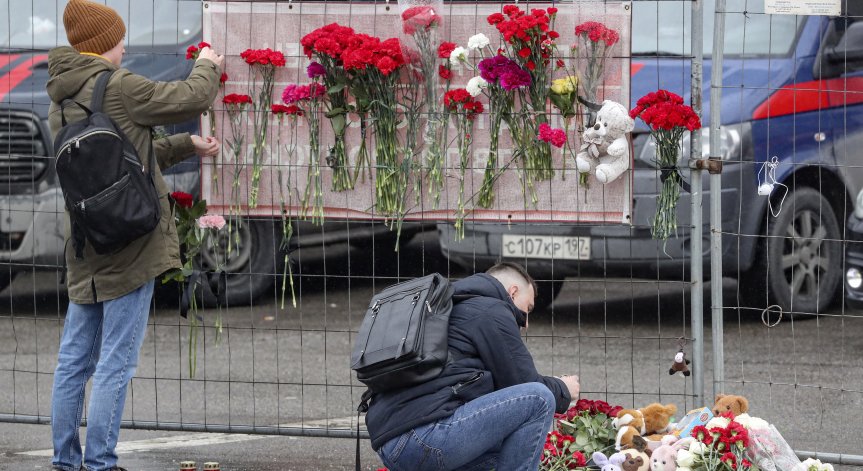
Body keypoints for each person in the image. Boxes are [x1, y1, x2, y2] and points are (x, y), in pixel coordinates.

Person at [45, 1, 224, 470]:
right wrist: (207, 63)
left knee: (73, 361)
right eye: (120, 38)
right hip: (132, 242)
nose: (125, 45)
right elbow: (190, 98)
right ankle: (101, 462)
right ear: (105, 44)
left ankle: (65, 463)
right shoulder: (119, 86)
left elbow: (119, 161)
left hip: (87, 244)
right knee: (116, 362)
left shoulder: (60, 100)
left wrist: (185, 145)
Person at [366, 262, 581, 471]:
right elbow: (526, 383)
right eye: (528, 309)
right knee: (539, 397)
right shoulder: (490, 310)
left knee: (512, 448)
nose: (525, 323)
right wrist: (563, 387)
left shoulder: (452, 306)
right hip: (426, 438)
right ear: (513, 292)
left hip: (393, 445)